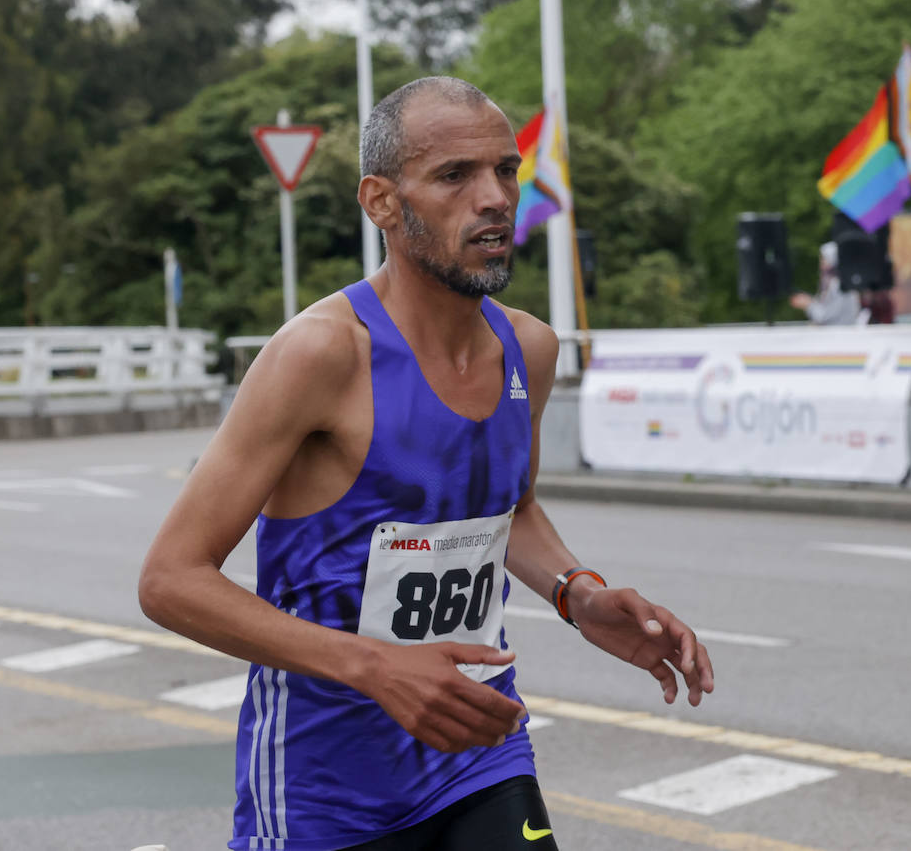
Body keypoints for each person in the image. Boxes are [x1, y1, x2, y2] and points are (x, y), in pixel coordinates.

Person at [138, 77, 715, 851]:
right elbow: (171, 580)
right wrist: (375, 667)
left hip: (478, 748)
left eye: (505, 171)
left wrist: (579, 593)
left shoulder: (529, 349)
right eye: (455, 176)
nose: (494, 198)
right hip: (324, 787)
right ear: (380, 201)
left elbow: (506, 508)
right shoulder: (321, 354)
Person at [789, 241, 863, 325]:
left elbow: (824, 317)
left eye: (824, 259)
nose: (821, 264)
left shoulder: (838, 285)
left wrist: (808, 304)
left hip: (840, 334)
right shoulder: (833, 282)